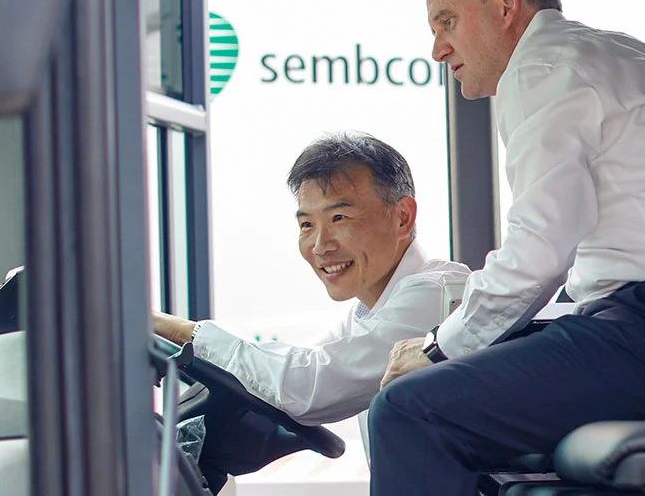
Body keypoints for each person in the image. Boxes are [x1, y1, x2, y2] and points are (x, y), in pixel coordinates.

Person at [369, 0, 645, 495]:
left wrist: (438, 346)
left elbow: (539, 251)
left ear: (505, 4)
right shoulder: (627, 54)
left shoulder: (541, 68)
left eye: (447, 22)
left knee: (408, 412)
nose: (438, 49)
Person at [154, 132, 470, 493]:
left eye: (339, 217)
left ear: (402, 217)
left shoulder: (436, 294)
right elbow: (300, 364)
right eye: (307, 225)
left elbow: (309, 388)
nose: (320, 246)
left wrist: (181, 330)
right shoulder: (369, 311)